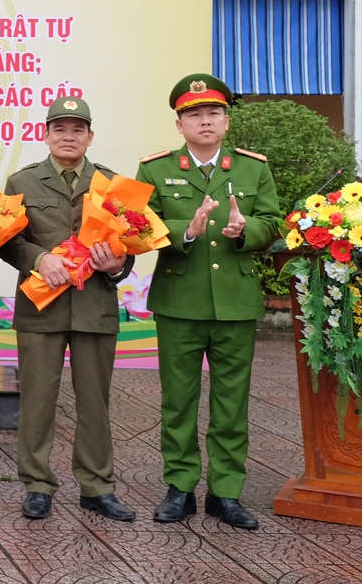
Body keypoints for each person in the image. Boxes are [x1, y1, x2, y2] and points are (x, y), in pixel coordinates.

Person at [135, 74, 279, 530]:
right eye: (194, 114)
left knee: (231, 403)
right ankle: (179, 488)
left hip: (235, 302)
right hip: (179, 301)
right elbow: (140, 224)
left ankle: (225, 492)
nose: (205, 121)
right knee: (178, 401)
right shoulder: (154, 169)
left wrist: (245, 230)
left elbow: (271, 222)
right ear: (179, 124)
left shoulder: (252, 168)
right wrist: (187, 230)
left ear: (226, 120)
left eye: (213, 113)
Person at [0, 96, 135, 522]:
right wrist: (39, 259)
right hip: (41, 306)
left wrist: (117, 265)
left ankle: (97, 486)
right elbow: (7, 240)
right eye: (60, 129)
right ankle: (37, 485)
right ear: (46, 135)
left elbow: (130, 244)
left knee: (95, 402)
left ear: (90, 137)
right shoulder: (22, 182)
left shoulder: (111, 184)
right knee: (37, 399)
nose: (68, 136)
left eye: (78, 129)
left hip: (94, 305)